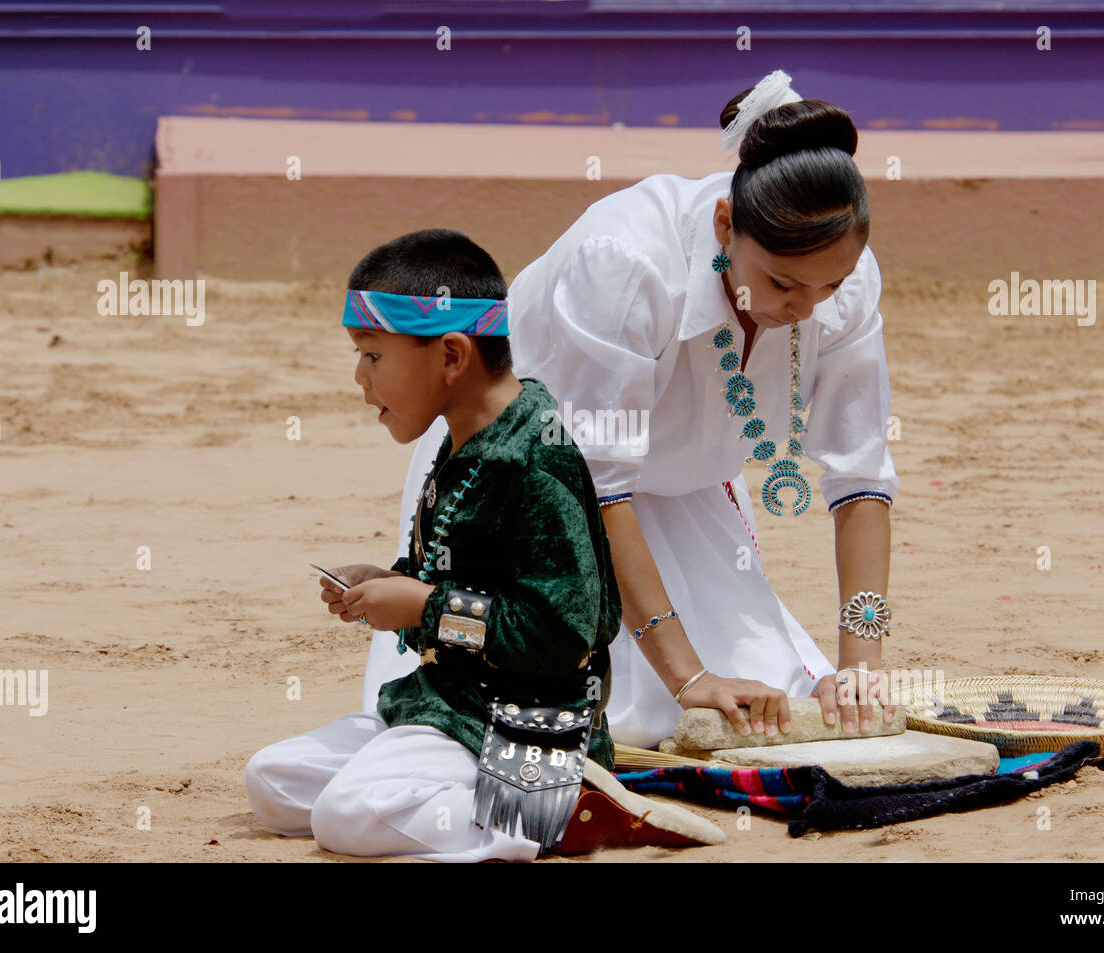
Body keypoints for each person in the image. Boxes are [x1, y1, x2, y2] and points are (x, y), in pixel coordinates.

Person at [365, 70, 902, 751]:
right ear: (724, 225)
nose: (807, 308)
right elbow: (599, 483)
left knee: (772, 705)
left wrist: (863, 663)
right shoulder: (623, 263)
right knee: (567, 721)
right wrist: (688, 676)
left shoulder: (841, 277)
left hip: (681, 487)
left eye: (831, 285)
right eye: (782, 283)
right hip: (529, 493)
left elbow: (860, 476)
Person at [244, 229, 723, 861]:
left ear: (450, 356)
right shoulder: (462, 440)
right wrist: (385, 583)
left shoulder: (536, 461)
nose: (359, 377)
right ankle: (508, 796)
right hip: (445, 705)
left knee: (345, 816)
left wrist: (424, 608)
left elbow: (562, 635)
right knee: (271, 781)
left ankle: (548, 809)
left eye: (373, 355)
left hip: (519, 722)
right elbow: (453, 573)